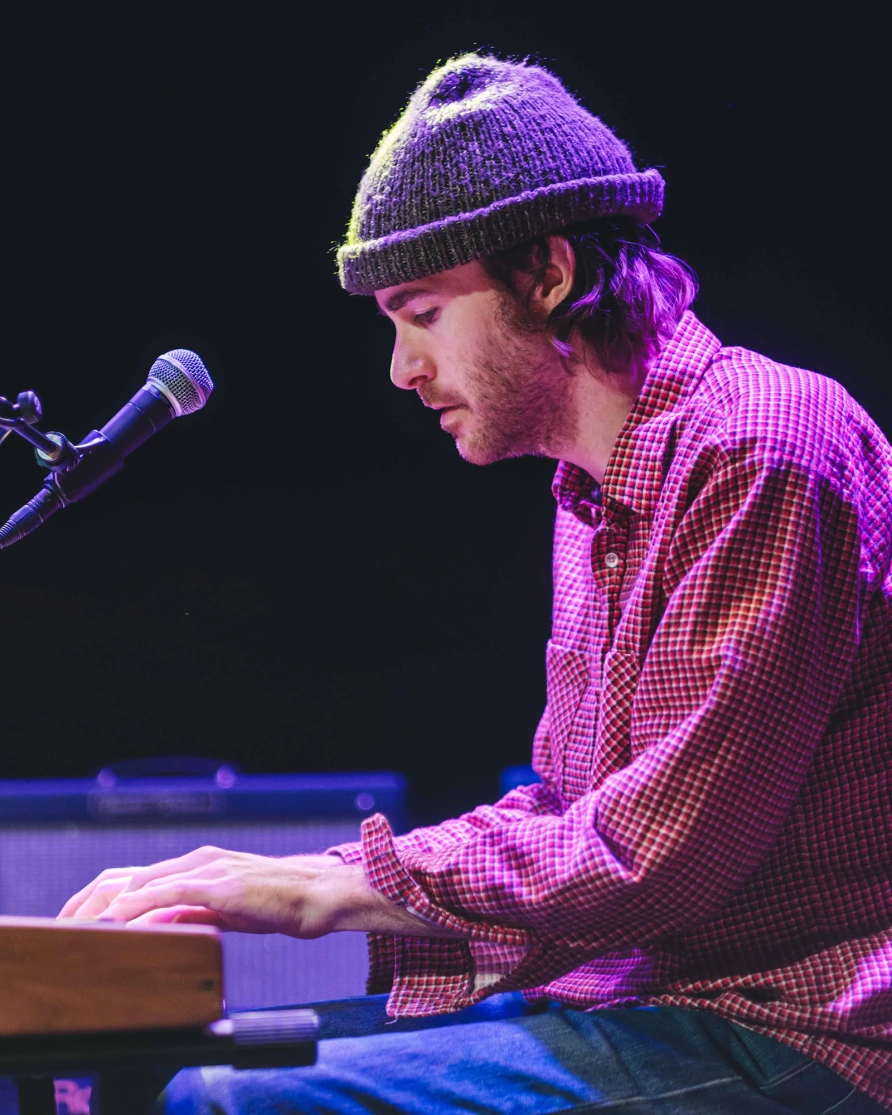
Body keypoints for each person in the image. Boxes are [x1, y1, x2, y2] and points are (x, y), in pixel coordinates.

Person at [60, 54, 891, 1113]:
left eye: (422, 312)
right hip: (643, 995)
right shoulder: (592, 490)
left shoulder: (763, 448)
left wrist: (326, 888)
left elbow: (652, 854)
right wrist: (314, 875)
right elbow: (573, 808)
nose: (402, 368)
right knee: (141, 1066)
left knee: (223, 1099)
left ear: (546, 274)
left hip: (796, 1026)